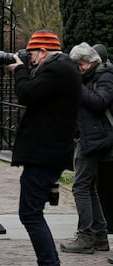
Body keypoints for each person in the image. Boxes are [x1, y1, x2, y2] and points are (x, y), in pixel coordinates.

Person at [6, 30, 82, 266]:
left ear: (43, 52)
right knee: (32, 212)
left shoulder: (57, 70)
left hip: (45, 153)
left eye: (32, 54)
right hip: (47, 152)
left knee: (30, 214)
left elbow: (26, 93)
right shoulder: (62, 68)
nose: (31, 59)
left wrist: (19, 70)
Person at [59, 43, 113, 254]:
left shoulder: (105, 76)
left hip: (95, 139)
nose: (79, 69)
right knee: (88, 188)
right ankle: (99, 236)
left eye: (80, 65)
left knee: (80, 187)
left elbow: (100, 102)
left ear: (91, 62)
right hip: (91, 137)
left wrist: (77, 86)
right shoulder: (93, 76)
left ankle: (86, 236)